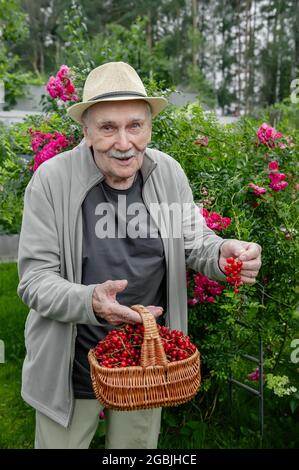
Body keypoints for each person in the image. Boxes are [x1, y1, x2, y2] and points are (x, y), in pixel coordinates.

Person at [17, 61, 262, 449]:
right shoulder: (52, 181)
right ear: (86, 130)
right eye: (108, 127)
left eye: (135, 125)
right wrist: (90, 301)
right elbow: (34, 281)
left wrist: (223, 253)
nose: (124, 142)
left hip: (146, 354)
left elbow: (195, 242)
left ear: (149, 126)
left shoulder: (168, 174)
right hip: (70, 359)